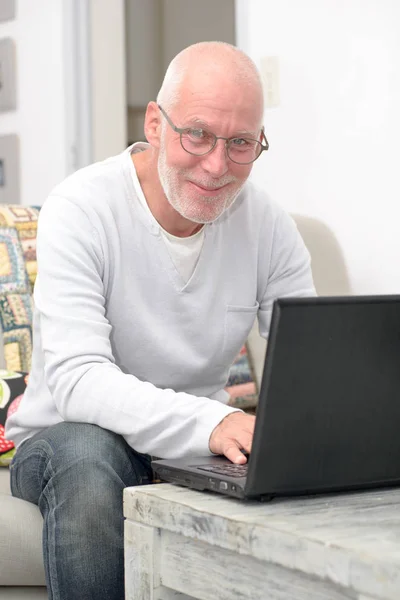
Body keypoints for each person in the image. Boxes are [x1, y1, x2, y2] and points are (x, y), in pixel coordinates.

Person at [6, 41, 315, 599]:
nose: (217, 165)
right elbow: (78, 382)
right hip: (67, 439)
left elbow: (316, 366)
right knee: (89, 455)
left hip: (191, 452)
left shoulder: (267, 225)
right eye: (196, 133)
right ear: (155, 122)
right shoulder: (82, 208)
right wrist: (212, 422)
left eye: (241, 143)